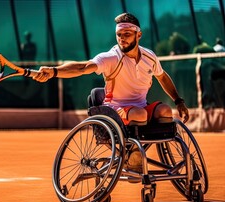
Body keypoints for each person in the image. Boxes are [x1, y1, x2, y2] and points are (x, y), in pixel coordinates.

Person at [32, 12, 189, 172]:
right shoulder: (111, 58)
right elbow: (83, 67)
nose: (122, 38)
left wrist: (179, 101)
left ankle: (155, 156)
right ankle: (132, 155)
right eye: (119, 35)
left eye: (127, 34)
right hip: (115, 110)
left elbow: (162, 77)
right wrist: (53, 71)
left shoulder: (150, 57)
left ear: (138, 34)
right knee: (139, 114)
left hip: (140, 108)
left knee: (165, 110)